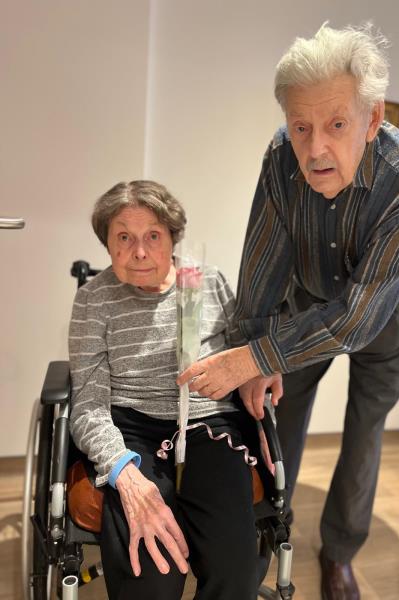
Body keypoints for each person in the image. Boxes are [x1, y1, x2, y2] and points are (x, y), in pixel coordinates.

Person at [177, 23, 399, 599]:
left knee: (364, 432)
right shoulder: (282, 156)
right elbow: (262, 263)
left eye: (336, 125)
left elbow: (358, 318)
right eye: (301, 126)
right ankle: (267, 533)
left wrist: (252, 355)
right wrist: (254, 349)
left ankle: (340, 553)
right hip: (304, 307)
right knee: (275, 416)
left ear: (372, 119)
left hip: (385, 317)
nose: (315, 147)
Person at [68, 180, 259, 600]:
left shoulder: (205, 282)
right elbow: (88, 405)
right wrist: (125, 476)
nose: (139, 251)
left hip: (209, 424)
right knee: (151, 576)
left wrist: (259, 372)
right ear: (107, 244)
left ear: (173, 238)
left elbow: (245, 355)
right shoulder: (94, 300)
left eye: (153, 235)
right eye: (124, 237)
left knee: (236, 570)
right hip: (130, 432)